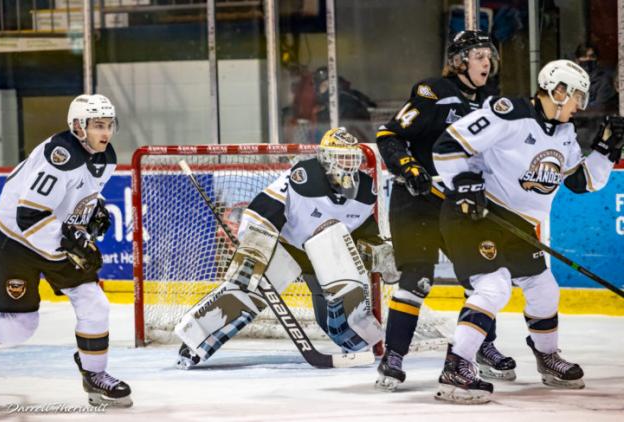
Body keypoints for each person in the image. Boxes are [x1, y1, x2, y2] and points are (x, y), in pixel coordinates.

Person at [432, 59, 624, 404]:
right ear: (558, 90)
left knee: (544, 288)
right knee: (494, 286)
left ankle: (547, 357)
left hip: (516, 226)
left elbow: (582, 182)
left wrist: (608, 150)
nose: (581, 104)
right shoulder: (509, 113)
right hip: (475, 215)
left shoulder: (563, 133)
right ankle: (456, 366)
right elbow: (448, 144)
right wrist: (464, 183)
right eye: (577, 95)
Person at [175, 128, 396, 368]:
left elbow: (365, 230)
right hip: (287, 246)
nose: (347, 164)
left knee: (348, 279)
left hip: (328, 254)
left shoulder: (364, 190)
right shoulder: (303, 177)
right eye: (341, 157)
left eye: (351, 158)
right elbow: (265, 208)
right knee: (246, 286)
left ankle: (356, 338)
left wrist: (380, 254)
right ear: (325, 157)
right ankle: (196, 340)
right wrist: (254, 248)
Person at [374, 30, 515, 392]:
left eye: (489, 56)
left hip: (459, 202)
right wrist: (409, 168)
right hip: (416, 201)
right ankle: (394, 355)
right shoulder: (432, 92)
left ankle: (481, 347)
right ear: (459, 60)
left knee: (482, 276)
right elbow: (389, 136)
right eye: (479, 55)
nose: (487, 62)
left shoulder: (490, 104)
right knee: (416, 280)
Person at [0, 94, 132, 407]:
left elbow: (83, 192)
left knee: (95, 304)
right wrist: (71, 244)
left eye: (109, 124)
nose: (105, 132)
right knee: (18, 328)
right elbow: (29, 216)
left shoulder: (104, 156)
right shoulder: (60, 156)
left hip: (52, 237)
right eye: (98, 125)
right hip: (15, 240)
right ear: (79, 127)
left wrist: (95, 210)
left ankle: (95, 375)